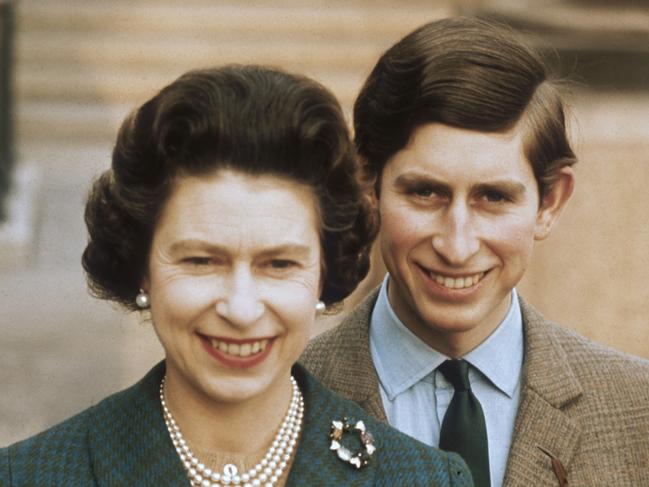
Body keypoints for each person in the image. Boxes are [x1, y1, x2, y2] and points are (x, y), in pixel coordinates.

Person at [0, 66, 473, 486]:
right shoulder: (29, 476)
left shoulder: (424, 478)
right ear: (141, 269)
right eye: (201, 261)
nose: (242, 309)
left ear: (325, 272)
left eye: (280, 264)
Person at [300, 17, 649, 487]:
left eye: (494, 197)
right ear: (368, 188)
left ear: (550, 202)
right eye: (425, 192)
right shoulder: (282, 403)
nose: (457, 245)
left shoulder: (637, 410)